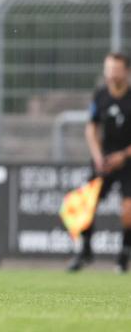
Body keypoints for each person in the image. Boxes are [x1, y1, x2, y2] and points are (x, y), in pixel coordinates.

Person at [68, 52, 131, 273]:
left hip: (128, 161)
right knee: (86, 202)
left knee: (128, 208)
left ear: (126, 72)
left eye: (116, 69)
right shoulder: (100, 95)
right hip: (104, 160)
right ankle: (85, 250)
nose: (112, 73)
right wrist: (97, 156)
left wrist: (123, 156)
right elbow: (91, 128)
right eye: (109, 69)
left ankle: (123, 255)